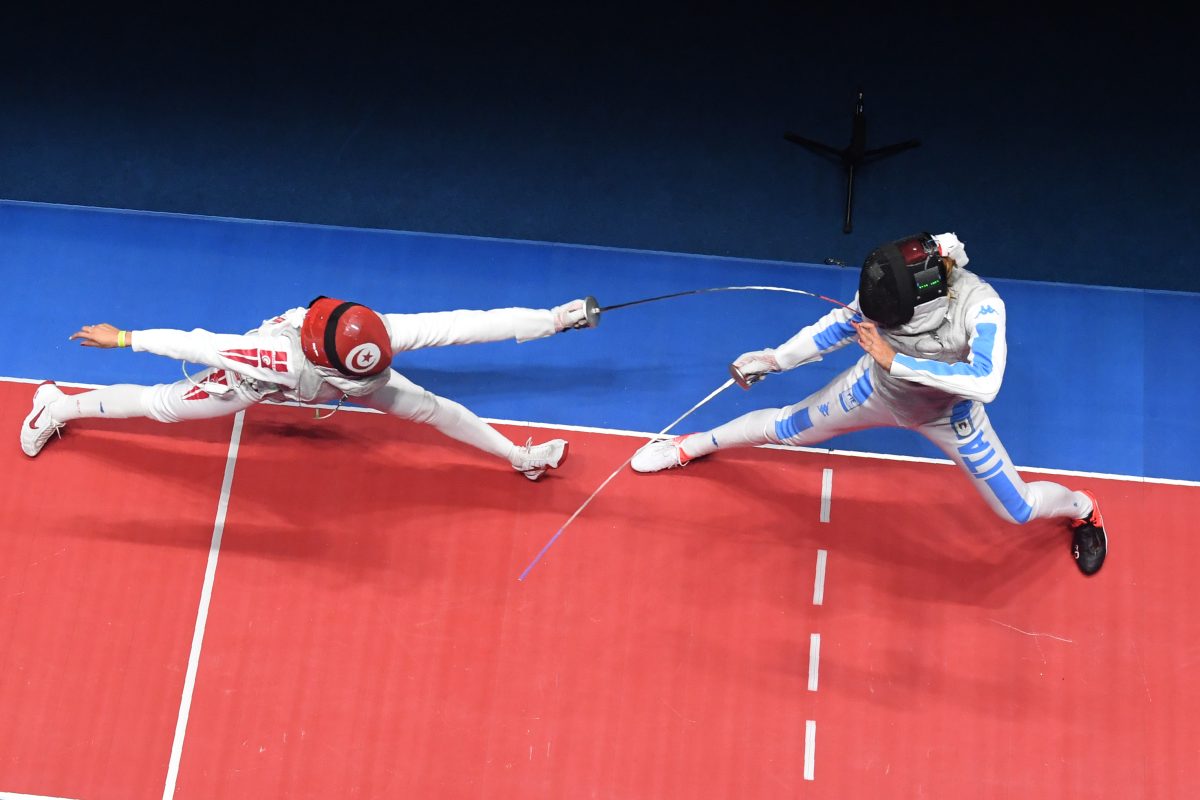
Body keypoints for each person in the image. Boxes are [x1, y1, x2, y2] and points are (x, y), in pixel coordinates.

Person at [630, 232, 1109, 576]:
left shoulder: (980, 306)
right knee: (783, 427)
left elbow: (985, 381)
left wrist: (894, 358)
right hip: (874, 392)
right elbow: (837, 327)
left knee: (1018, 509)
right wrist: (773, 360)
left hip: (952, 417)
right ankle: (688, 446)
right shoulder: (895, 282)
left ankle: (1085, 510)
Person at [21, 295, 598, 481]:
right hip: (256, 385)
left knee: (434, 409)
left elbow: (473, 324)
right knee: (159, 408)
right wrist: (124, 337)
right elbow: (196, 343)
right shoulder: (265, 357)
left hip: (337, 383)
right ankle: (55, 404)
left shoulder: (380, 338)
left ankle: (519, 458)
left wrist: (554, 319)